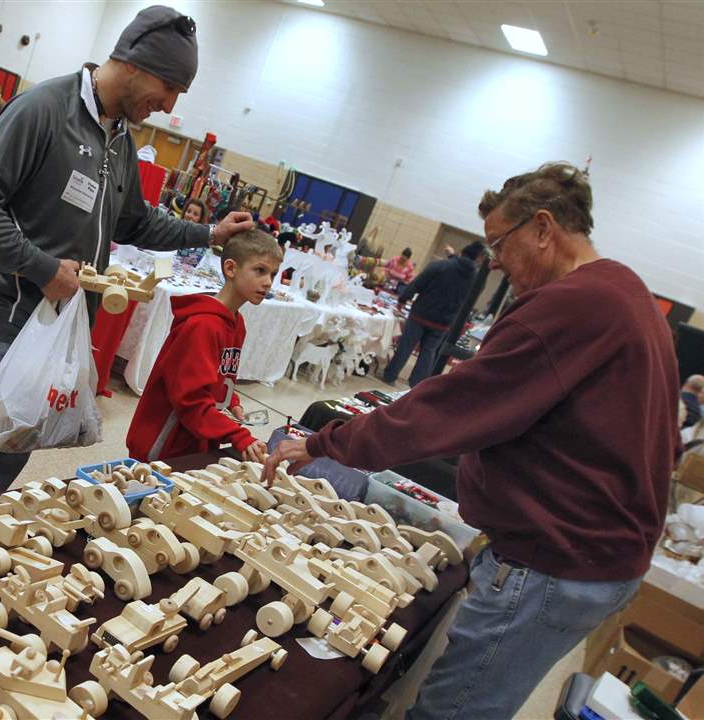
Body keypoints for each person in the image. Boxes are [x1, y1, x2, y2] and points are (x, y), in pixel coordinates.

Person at [264, 162, 680, 720]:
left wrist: (323, 444)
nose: (495, 262)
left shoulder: (568, 307)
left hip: (555, 561)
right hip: (600, 556)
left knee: (452, 711)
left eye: (498, 244)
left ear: (542, 227)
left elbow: (439, 413)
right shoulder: (626, 289)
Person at [0, 5, 255, 505]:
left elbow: (135, 222)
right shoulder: (44, 110)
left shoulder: (120, 138)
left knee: (13, 454)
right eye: (171, 91)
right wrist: (42, 268)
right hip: (8, 325)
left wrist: (208, 232)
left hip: (59, 331)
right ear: (138, 67)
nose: (168, 106)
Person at [127, 230, 280, 463]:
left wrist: (232, 403)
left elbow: (221, 377)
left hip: (194, 438)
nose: (268, 282)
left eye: (273, 274)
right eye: (260, 270)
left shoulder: (236, 323)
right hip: (165, 443)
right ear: (231, 269)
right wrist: (237, 435)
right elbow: (190, 400)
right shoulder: (203, 326)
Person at [381, 240, 485, 387]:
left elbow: (418, 283)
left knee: (406, 345)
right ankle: (416, 386)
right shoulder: (475, 278)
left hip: (421, 313)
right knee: (428, 353)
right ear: (477, 258)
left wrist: (404, 298)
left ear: (461, 253)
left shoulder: (441, 265)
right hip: (444, 321)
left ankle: (390, 376)